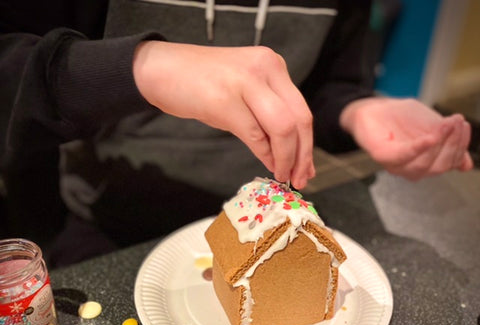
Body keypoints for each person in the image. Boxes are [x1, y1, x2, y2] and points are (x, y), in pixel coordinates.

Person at [0, 0, 473, 266]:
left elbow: (329, 84)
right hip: (96, 224)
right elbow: (13, 71)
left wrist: (357, 110)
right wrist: (143, 67)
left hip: (264, 218)